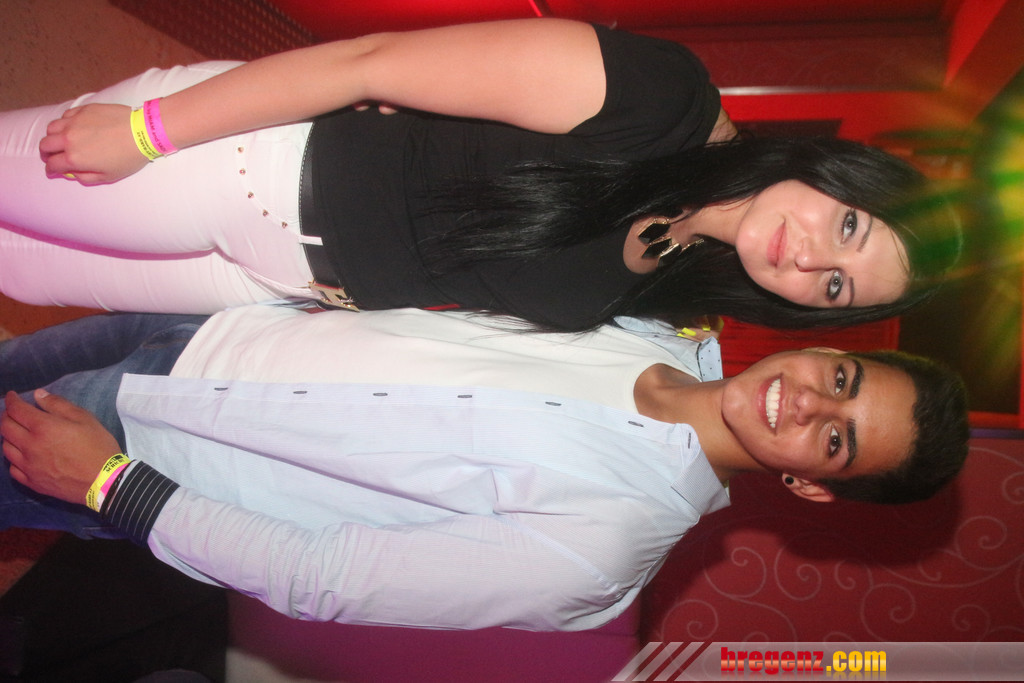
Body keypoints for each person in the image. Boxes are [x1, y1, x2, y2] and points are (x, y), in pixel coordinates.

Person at [0, 306, 968, 630]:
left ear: (810, 484)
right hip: (210, 332)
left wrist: (109, 484)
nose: (808, 401)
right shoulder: (658, 326)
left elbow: (321, 575)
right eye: (842, 379)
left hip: (146, 444)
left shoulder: (606, 546)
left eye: (835, 438)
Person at [0, 19, 960, 330]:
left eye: (837, 286)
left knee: (22, 277)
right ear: (843, 173)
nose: (810, 261)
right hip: (247, 168)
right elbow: (370, 63)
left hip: (277, 280)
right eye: (849, 227)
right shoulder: (664, 98)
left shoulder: (675, 279)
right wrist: (149, 131)